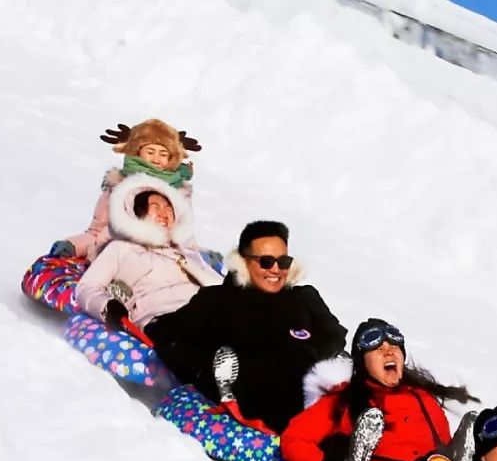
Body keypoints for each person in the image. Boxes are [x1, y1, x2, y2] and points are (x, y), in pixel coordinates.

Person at [281, 318, 478, 461]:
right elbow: (293, 439)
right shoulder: (343, 401)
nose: (389, 352)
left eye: (394, 347)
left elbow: (437, 446)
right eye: (378, 349)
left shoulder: (424, 400)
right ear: (362, 362)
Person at [146, 221, 347, 434]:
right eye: (266, 262)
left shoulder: (304, 298)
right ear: (243, 261)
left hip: (308, 390)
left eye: (284, 261)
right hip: (251, 393)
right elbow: (167, 336)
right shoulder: (216, 301)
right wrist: (205, 369)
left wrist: (313, 355)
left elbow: (334, 335)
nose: (276, 270)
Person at [73, 174, 221, 332]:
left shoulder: (187, 253)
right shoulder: (121, 249)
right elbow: (86, 287)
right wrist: (107, 305)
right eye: (156, 207)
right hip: (163, 317)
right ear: (139, 212)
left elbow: (222, 287)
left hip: (207, 311)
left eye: (169, 209)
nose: (164, 213)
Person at [51, 119, 200, 263]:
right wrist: (73, 246)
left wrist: (201, 259)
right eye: (150, 152)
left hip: (166, 260)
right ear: (137, 152)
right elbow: (97, 231)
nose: (156, 159)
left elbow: (185, 238)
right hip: (118, 257)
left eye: (163, 154)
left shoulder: (178, 192)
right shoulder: (119, 185)